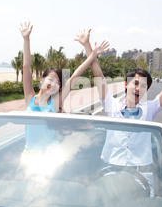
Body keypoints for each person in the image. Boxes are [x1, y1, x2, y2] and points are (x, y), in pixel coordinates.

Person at [75, 28, 162, 196]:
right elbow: (98, 73)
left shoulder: (149, 109)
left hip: (142, 175)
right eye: (136, 83)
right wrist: (87, 45)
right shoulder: (111, 106)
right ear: (126, 85)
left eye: (144, 86)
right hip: (110, 170)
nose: (139, 88)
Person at [20, 22, 109, 151]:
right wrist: (26, 39)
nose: (54, 84)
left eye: (58, 82)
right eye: (51, 79)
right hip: (28, 152)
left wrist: (93, 55)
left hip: (49, 154)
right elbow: (26, 67)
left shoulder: (55, 103)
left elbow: (74, 76)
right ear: (41, 80)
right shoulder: (30, 98)